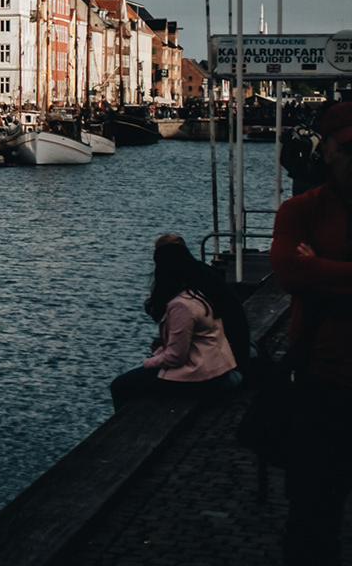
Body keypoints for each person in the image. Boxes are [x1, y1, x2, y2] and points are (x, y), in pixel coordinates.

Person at [270, 100, 352, 565]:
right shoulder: (300, 209)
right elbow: (289, 272)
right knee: (311, 520)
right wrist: (309, 270)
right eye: (350, 148)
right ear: (329, 153)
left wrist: (324, 268)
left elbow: (308, 272)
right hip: (322, 379)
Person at [108, 233, 240, 409]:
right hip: (216, 367)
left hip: (200, 378)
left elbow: (175, 358)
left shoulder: (181, 305)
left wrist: (148, 362)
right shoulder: (198, 291)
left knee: (120, 385)